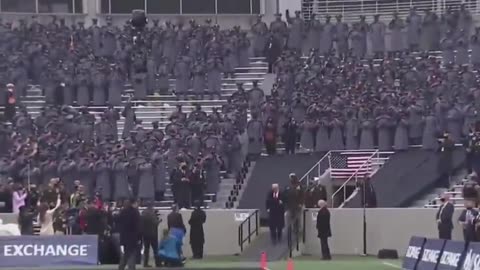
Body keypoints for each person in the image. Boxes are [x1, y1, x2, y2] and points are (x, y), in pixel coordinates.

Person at [118, 199, 141, 270]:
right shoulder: (135, 212)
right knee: (131, 254)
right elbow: (138, 226)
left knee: (126, 253)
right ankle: (131, 268)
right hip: (133, 237)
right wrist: (139, 237)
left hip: (124, 237)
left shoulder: (122, 212)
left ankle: (121, 267)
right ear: (133, 203)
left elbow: (118, 223)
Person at [141, 202, 160, 267]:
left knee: (146, 250)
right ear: (151, 206)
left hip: (145, 234)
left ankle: (145, 263)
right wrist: (158, 220)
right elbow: (155, 223)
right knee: (155, 250)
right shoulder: (152, 213)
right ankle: (158, 263)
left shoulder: (143, 213)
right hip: (153, 234)